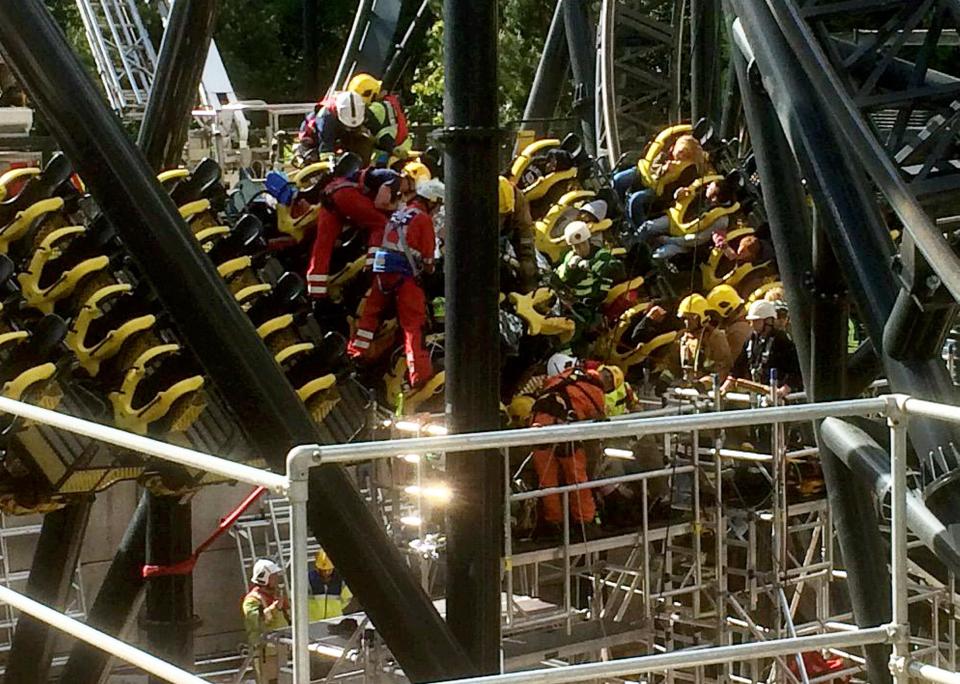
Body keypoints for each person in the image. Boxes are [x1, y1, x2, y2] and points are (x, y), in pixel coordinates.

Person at [347, 179, 444, 388]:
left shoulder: (400, 213)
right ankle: (419, 372)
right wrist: (430, 270)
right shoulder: (423, 219)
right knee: (413, 323)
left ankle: (356, 352)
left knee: (370, 314)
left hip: (383, 270)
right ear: (432, 201)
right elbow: (428, 257)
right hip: (404, 274)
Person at [529, 358, 607, 535]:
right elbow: (599, 422)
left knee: (547, 480)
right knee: (576, 477)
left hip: (537, 423)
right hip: (563, 426)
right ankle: (584, 522)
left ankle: (553, 522)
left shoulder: (560, 379)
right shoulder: (593, 389)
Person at [306, 166, 401, 299]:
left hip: (330, 194)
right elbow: (381, 202)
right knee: (381, 224)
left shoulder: (380, 174)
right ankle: (372, 267)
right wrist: (397, 207)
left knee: (323, 243)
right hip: (346, 194)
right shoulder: (395, 179)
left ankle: (316, 291)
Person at [554, 221, 623, 337]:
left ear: (588, 241)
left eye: (582, 244)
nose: (580, 249)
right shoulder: (570, 256)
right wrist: (568, 268)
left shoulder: (602, 255)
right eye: (575, 246)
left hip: (591, 304)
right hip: (569, 301)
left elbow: (616, 270)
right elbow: (559, 279)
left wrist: (590, 265)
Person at [721, 299, 802, 399]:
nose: (752, 325)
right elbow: (739, 366)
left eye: (756, 321)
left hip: (779, 398)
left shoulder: (782, 341)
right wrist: (728, 383)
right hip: (758, 395)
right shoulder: (751, 340)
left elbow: (797, 371)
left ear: (768, 321)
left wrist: (784, 390)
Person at [347, 73, 412, 166]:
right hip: (402, 147)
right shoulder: (388, 102)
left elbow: (377, 132)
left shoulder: (375, 109)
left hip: (391, 154)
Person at [242, 559, 289, 684]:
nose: (277, 579)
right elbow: (257, 621)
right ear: (265, 577)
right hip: (264, 652)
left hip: (281, 648)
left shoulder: (275, 595)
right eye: (274, 576)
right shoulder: (252, 600)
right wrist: (275, 608)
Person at [297, 91, 371, 164]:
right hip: (315, 138)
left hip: (340, 134)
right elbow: (325, 147)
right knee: (313, 159)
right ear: (337, 111)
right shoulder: (326, 117)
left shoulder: (361, 109)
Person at [677, 293, 732, 384]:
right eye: (684, 318)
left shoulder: (715, 337)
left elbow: (724, 367)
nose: (687, 322)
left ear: (702, 316)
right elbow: (672, 363)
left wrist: (706, 383)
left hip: (709, 392)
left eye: (691, 318)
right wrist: (664, 380)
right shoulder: (683, 337)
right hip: (686, 390)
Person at [499, 176, 538, 294]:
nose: (501, 221)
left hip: (506, 237)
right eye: (498, 216)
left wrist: (527, 262)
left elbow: (525, 234)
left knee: (527, 268)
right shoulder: (470, 198)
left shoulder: (518, 200)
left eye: (504, 216)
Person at [707, 284, 752, 357]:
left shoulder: (737, 331)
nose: (714, 318)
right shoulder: (745, 320)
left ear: (726, 309)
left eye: (714, 313)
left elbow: (728, 363)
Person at [308, 549, 353, 621]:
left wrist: (335, 609)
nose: (326, 572)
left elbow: (346, 599)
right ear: (317, 568)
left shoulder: (340, 580)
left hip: (335, 620)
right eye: (323, 570)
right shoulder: (308, 579)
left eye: (329, 570)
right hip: (313, 621)